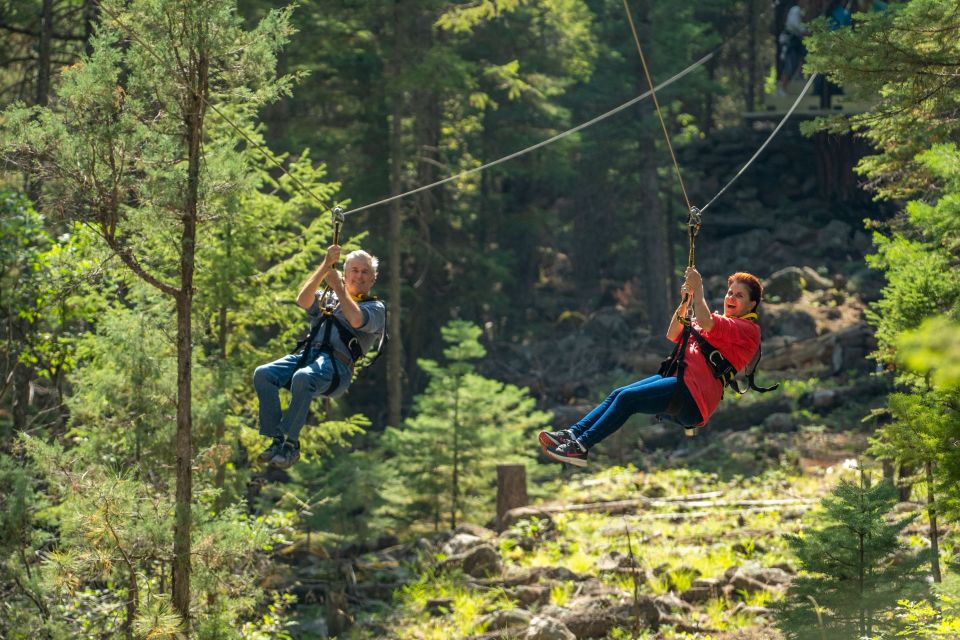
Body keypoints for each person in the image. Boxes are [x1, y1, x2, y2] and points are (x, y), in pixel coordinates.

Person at [539, 267, 763, 467]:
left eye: (739, 295)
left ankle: (581, 447)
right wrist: (686, 300)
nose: (731, 297)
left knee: (627, 399)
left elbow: (705, 321)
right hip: (682, 383)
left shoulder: (747, 329)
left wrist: (699, 288)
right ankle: (572, 435)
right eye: (729, 293)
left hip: (695, 395)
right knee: (618, 394)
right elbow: (673, 333)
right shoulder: (714, 321)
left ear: (752, 304)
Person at [253, 246, 386, 468]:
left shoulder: (375, 307)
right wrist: (325, 266)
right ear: (345, 273)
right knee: (263, 374)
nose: (359, 276)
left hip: (336, 368)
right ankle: (275, 439)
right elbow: (303, 300)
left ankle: (291, 444)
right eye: (354, 270)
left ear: (373, 279)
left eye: (365, 272)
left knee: (304, 377)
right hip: (310, 356)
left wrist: (339, 288)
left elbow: (356, 320)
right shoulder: (329, 297)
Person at [778, 1, 807, 96]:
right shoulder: (796, 9)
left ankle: (796, 78)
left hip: (795, 42)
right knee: (790, 65)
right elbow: (795, 25)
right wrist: (805, 31)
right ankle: (782, 88)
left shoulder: (800, 11)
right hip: (790, 41)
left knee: (796, 62)